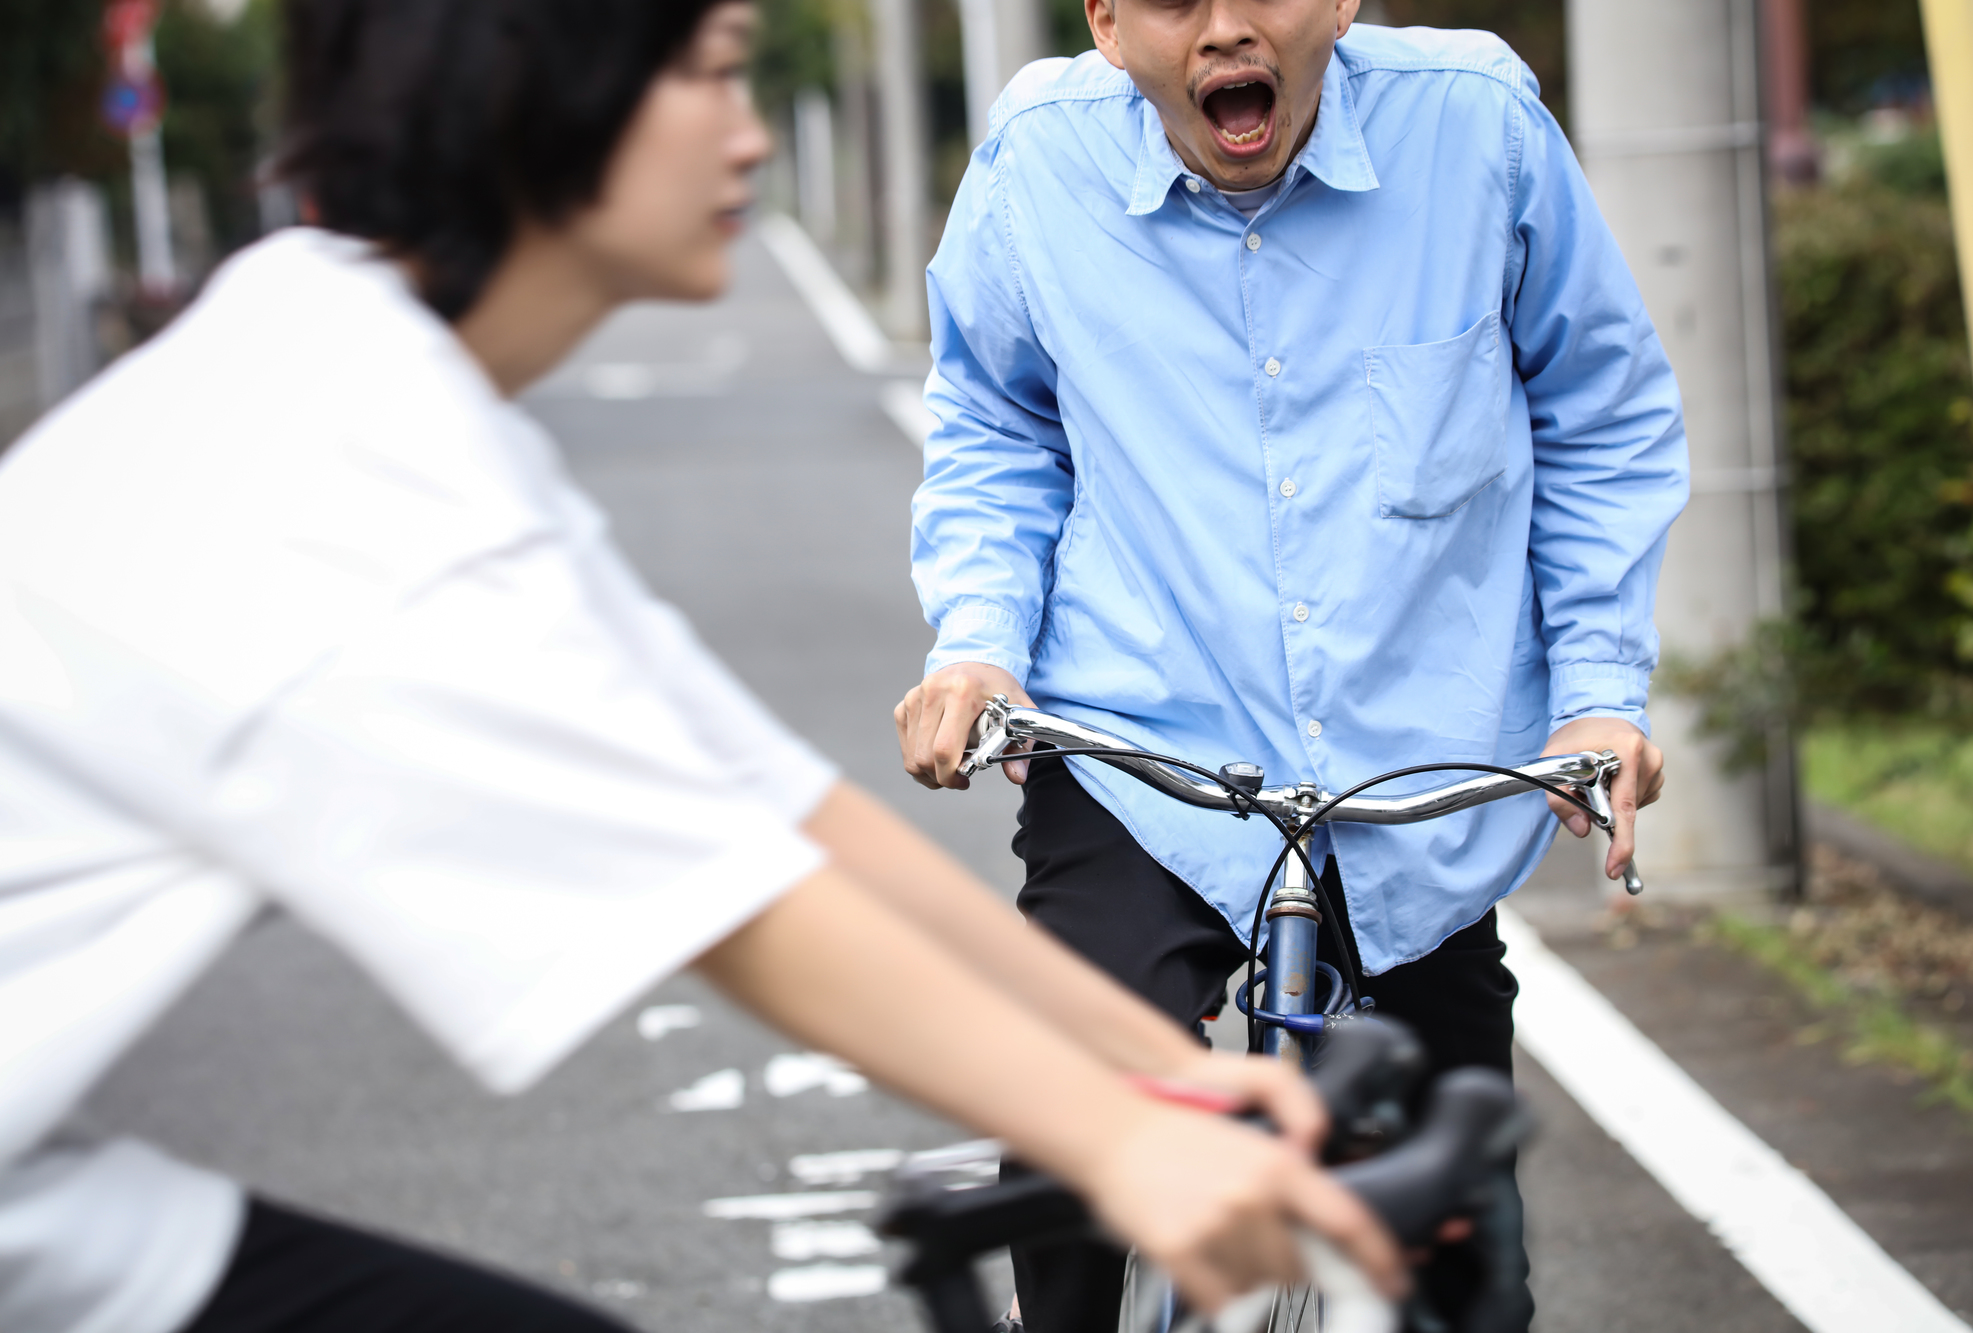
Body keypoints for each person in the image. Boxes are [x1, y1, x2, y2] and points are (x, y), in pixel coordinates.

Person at [0, 0, 1407, 1329]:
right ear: (540, 94)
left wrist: (1161, 1073)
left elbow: (784, 812)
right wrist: (1120, 1136)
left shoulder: (355, 356)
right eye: (710, 71)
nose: (747, 130)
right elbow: (745, 908)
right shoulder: (337, 461)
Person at [896, 1, 1688, 1330]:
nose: (1223, 30)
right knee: (1075, 1124)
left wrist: (1597, 688)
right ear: (1104, 19)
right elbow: (993, 422)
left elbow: (1599, 411)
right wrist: (978, 643)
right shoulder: (1041, 153)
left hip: (1413, 755)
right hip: (1146, 734)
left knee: (1463, 1244)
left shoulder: (1475, 125)